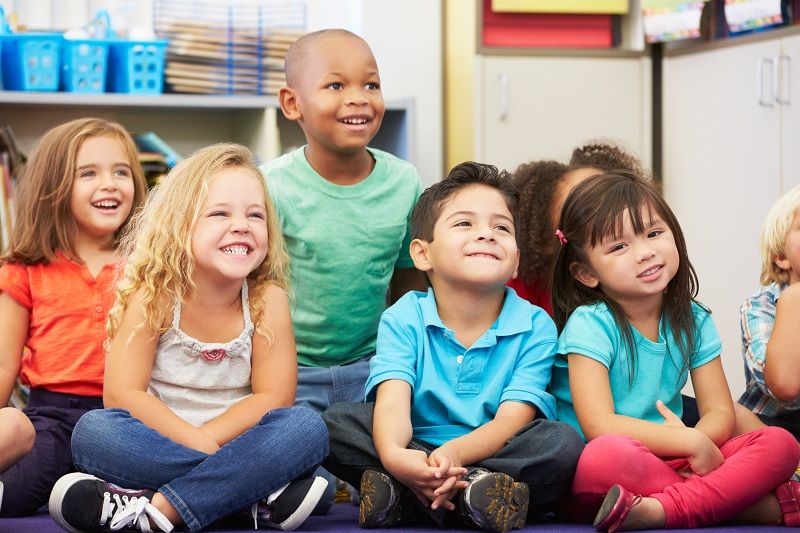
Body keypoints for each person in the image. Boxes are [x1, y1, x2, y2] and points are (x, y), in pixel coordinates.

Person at [48, 144, 329, 533]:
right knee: (94, 432)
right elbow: (124, 395)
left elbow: (274, 398)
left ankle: (154, 505)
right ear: (180, 226)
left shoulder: (268, 299)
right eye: (219, 213)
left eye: (255, 215)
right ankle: (253, 497)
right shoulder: (156, 294)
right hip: (160, 443)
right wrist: (202, 449)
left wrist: (210, 440)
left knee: (306, 429)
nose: (241, 225)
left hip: (242, 443)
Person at [322, 162, 584, 532]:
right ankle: (469, 497)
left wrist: (454, 455)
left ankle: (412, 498)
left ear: (516, 263)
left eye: (501, 227)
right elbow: (393, 403)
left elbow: (513, 420)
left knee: (561, 442)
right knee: (335, 424)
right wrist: (398, 457)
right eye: (465, 223)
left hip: (497, 452)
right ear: (422, 254)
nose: (487, 234)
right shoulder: (403, 317)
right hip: (415, 444)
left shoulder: (535, 324)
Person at [549, 171, 800, 530]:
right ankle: (743, 507)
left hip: (680, 455)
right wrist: (684, 439)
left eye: (654, 233)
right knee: (608, 455)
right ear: (587, 273)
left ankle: (661, 509)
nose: (645, 252)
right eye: (619, 247)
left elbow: (718, 411)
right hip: (610, 466)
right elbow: (599, 425)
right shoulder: (590, 324)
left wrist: (696, 440)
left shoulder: (694, 318)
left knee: (780, 444)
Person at [261, 28, 424, 509]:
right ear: (292, 104)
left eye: (370, 85)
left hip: (373, 371)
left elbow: (409, 279)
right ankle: (330, 480)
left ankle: (356, 479)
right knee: (289, 441)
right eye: (336, 86)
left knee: (404, 444)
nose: (359, 99)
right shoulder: (269, 186)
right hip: (289, 373)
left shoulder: (403, 180)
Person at [0, 118, 147, 516]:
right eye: (89, 173)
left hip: (128, 415)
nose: (110, 184)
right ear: (54, 187)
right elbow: (4, 365)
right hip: (51, 416)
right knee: (18, 491)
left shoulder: (149, 264)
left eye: (121, 171)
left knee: (154, 474)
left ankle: (99, 499)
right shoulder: (24, 268)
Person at [510, 142, 644, 315]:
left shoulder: (649, 269)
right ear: (546, 243)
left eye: (608, 190)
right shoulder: (517, 296)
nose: (608, 209)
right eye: (585, 208)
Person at [739, 184, 800, 439]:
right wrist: (795, 297)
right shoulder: (761, 306)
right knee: (722, 414)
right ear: (781, 257)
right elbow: (784, 387)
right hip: (773, 424)